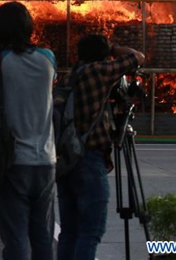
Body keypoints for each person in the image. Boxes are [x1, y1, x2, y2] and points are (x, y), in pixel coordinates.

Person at [0, 1, 56, 260]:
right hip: (46, 160)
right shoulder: (48, 58)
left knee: (16, 237)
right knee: (43, 237)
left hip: (11, 161)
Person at [56, 34, 145, 260]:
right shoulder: (98, 71)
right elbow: (138, 57)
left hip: (66, 158)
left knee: (69, 232)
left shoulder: (69, 77)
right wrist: (114, 48)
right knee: (91, 231)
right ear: (104, 56)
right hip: (89, 159)